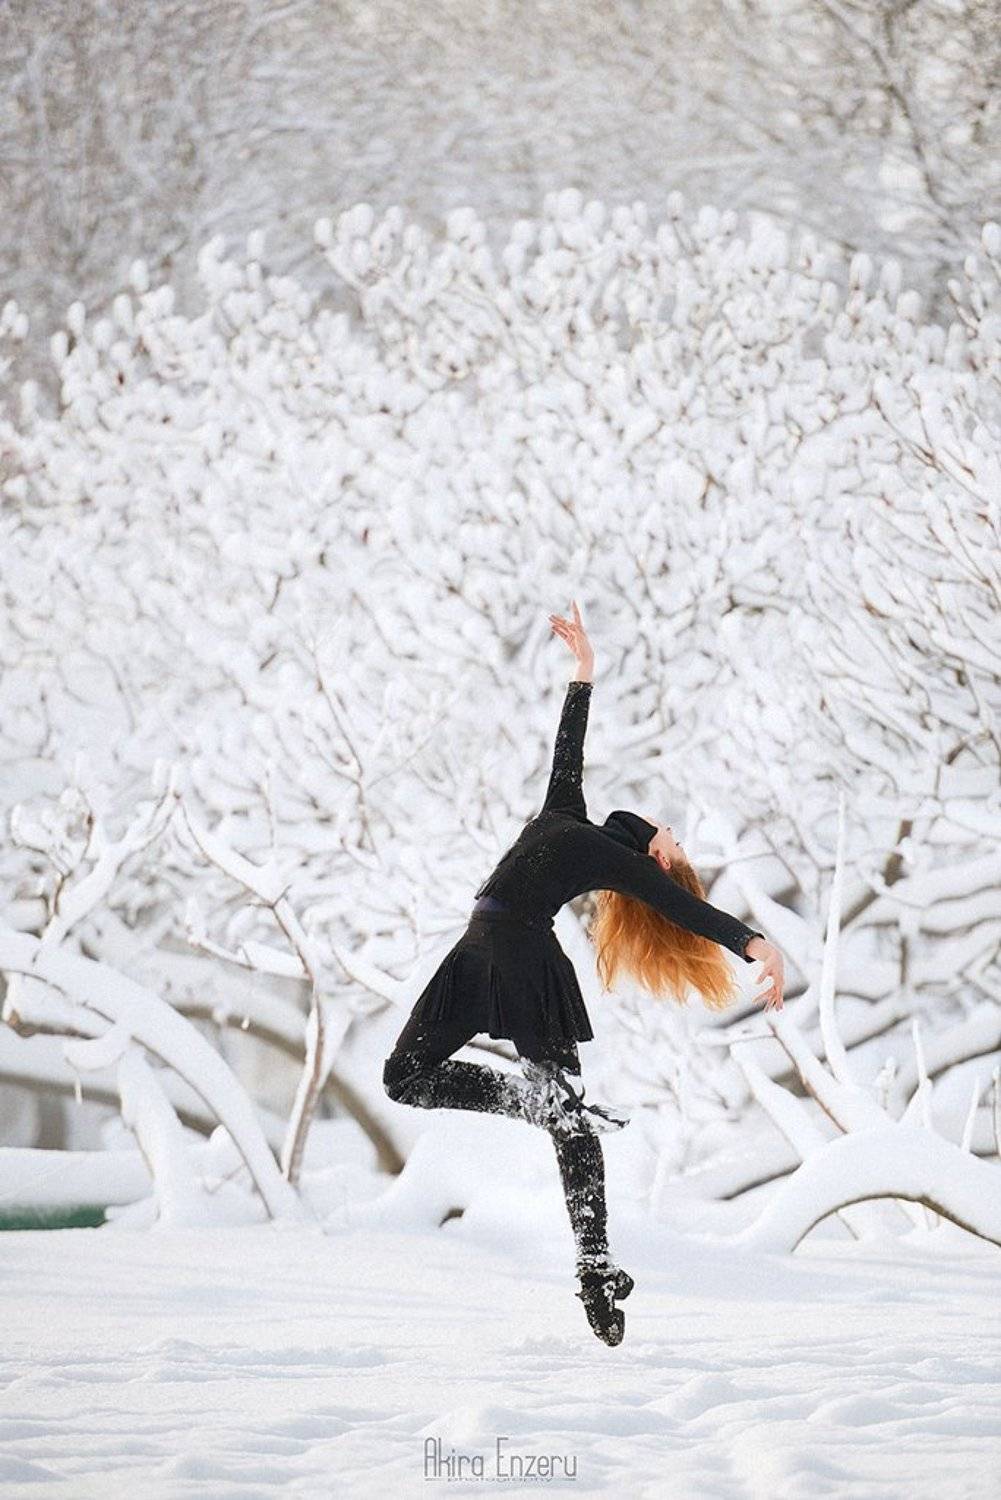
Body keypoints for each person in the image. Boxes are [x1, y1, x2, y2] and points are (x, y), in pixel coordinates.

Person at [383, 602, 785, 1346]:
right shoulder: (566, 812)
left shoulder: (620, 861)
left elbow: (682, 909)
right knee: (404, 1077)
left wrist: (753, 943)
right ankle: (541, 1106)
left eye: (671, 839)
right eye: (672, 829)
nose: (669, 829)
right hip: (475, 949)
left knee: (567, 1123)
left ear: (655, 856)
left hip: (520, 954)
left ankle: (594, 1266)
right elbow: (567, 748)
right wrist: (583, 671)